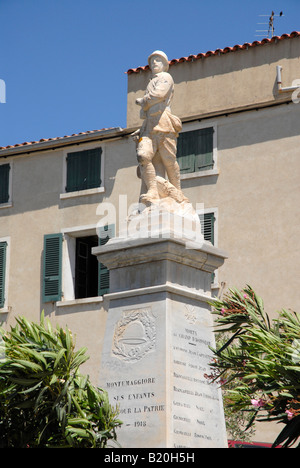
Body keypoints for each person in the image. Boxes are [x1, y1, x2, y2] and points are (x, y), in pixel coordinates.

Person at [134, 51, 183, 204]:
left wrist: (143, 100)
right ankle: (153, 190)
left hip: (164, 123)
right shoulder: (151, 81)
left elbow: (159, 95)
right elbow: (146, 111)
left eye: (158, 60)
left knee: (168, 160)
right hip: (149, 126)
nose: (154, 63)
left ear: (165, 64)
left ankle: (178, 191)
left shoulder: (166, 77)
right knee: (143, 156)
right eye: (152, 61)